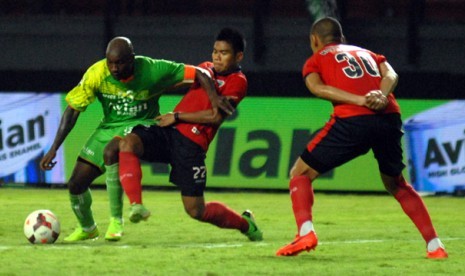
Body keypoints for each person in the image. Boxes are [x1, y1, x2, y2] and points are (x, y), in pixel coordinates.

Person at [275, 17, 448, 259]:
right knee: (397, 184)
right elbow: (391, 75)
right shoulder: (368, 53)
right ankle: (435, 246)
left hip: (353, 120)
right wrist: (381, 94)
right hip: (389, 117)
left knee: (300, 174)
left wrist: (360, 100)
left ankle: (306, 233)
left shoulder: (316, 59)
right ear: (341, 38)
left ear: (314, 40)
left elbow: (318, 89)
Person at [40, 36, 233, 242]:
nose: (114, 68)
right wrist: (54, 148)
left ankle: (116, 221)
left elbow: (201, 72)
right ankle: (88, 228)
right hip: (109, 126)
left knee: (111, 151)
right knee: (76, 184)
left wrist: (214, 101)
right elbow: (72, 111)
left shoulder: (152, 69)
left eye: (119, 63)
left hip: (142, 124)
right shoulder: (97, 73)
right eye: (110, 62)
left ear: (132, 59)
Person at [115, 27, 263, 242]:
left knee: (196, 210)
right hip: (169, 133)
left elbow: (215, 117)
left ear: (238, 56)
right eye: (215, 51)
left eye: (224, 52)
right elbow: (178, 81)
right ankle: (136, 205)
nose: (217, 56)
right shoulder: (205, 68)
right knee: (128, 143)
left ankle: (245, 224)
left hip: (192, 146)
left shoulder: (238, 81)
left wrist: (177, 116)